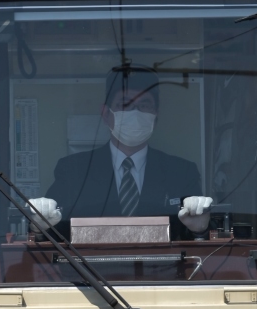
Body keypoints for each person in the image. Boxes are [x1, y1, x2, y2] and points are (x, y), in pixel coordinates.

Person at [46, 68, 201, 223]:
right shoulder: (74, 171)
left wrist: (200, 229)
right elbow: (50, 227)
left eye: (144, 105)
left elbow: (200, 229)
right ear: (106, 114)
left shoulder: (181, 173)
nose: (135, 113)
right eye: (125, 105)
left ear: (156, 115)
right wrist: (40, 227)